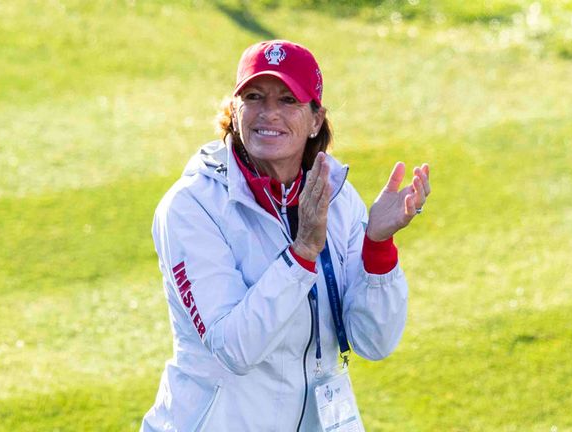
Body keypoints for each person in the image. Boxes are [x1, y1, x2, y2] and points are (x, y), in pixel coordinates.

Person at [141, 40, 431, 431]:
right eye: (255, 96)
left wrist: (377, 247)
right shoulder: (192, 207)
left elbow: (374, 342)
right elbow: (234, 348)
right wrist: (303, 254)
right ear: (235, 109)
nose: (269, 113)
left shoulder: (338, 197)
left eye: (288, 100)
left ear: (315, 119)